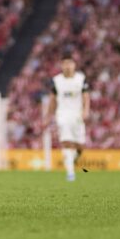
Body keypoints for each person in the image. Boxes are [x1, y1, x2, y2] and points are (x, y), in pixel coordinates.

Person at [43, 53, 90, 181]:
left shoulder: (81, 79)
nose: (68, 66)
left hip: (77, 115)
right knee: (66, 142)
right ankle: (70, 172)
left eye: (70, 63)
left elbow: (86, 96)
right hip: (63, 114)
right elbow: (52, 100)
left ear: (74, 65)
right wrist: (48, 116)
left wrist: (85, 111)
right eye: (65, 63)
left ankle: (74, 158)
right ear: (61, 65)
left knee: (80, 145)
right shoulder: (57, 81)